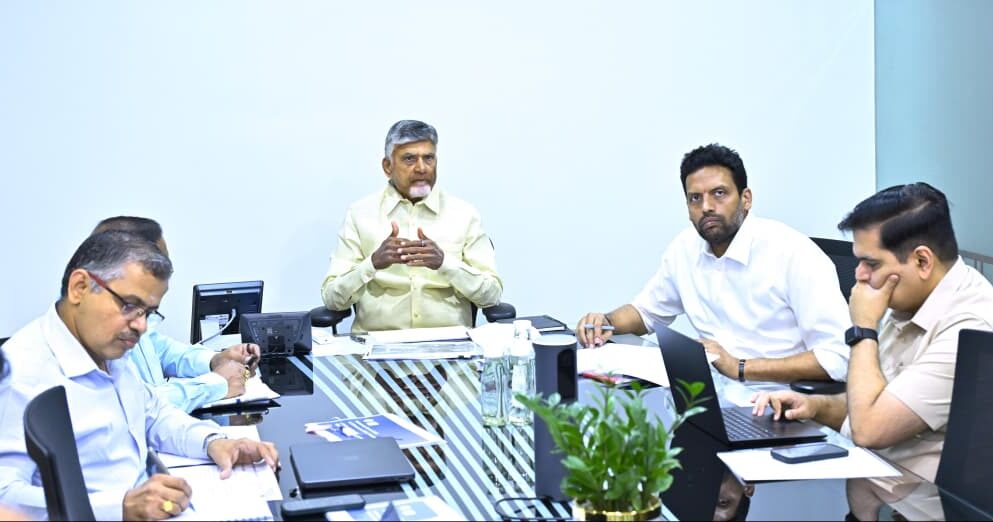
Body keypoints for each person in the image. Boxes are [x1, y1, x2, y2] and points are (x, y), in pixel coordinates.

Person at [0, 231, 279, 520]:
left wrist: (213, 442)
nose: (141, 326)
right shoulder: (21, 374)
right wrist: (119, 506)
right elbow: (5, 498)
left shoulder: (106, 347)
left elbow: (152, 415)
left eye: (148, 312)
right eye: (129, 306)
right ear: (79, 287)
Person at [750, 183, 993, 491]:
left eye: (871, 263)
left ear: (922, 261)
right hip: (873, 483)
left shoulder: (970, 327)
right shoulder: (911, 298)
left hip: (917, 500)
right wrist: (814, 406)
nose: (859, 274)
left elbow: (869, 429)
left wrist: (864, 328)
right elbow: (874, 398)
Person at [577, 143, 851, 382]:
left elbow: (839, 357)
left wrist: (740, 367)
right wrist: (606, 322)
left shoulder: (794, 254)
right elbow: (646, 313)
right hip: (709, 396)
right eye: (695, 198)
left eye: (719, 193)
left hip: (781, 402)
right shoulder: (685, 249)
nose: (706, 206)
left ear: (746, 199)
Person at [320, 119, 503, 332]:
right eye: (409, 159)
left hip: (449, 345)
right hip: (377, 346)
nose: (421, 168)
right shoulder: (360, 214)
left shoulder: (464, 214)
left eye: (429, 158)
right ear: (387, 166)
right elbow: (332, 298)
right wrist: (373, 263)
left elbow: (492, 295)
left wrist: (445, 263)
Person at [92, 216, 260, 412]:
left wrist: (215, 360)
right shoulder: (99, 335)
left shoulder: (133, 318)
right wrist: (216, 384)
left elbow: (162, 351)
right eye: (157, 261)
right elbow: (135, 407)